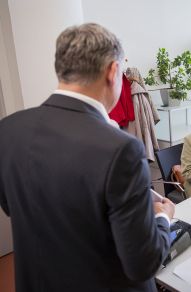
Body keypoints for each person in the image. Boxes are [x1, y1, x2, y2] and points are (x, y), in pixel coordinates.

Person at [0, 23, 174, 292]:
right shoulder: (121, 149)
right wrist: (162, 216)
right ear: (113, 71)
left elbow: (15, 206)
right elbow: (144, 262)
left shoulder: (9, 129)